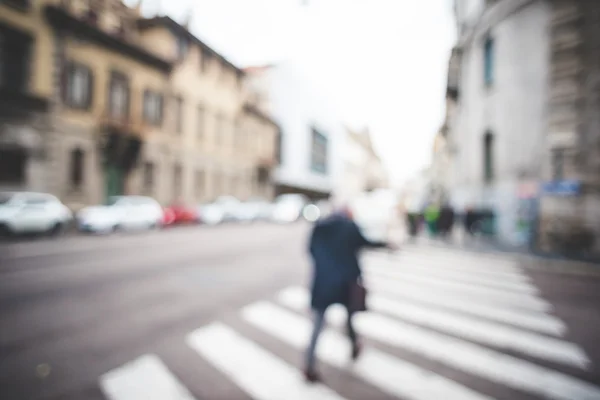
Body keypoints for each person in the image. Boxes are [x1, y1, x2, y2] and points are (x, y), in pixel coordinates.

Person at [304, 205, 396, 382]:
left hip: (322, 283)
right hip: (346, 283)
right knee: (349, 318)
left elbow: (311, 251)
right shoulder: (350, 226)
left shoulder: (319, 227)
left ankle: (309, 365)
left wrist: (324, 267)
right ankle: (354, 346)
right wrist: (386, 244)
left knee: (317, 326)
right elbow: (366, 243)